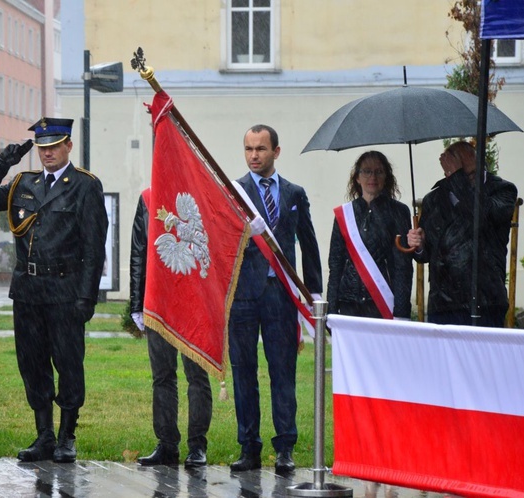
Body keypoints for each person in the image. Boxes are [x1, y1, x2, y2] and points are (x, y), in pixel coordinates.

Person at [0, 118, 108, 463]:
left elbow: (94, 247)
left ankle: (67, 436)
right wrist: (4, 162)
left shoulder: (84, 185)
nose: (47, 153)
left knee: (69, 364)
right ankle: (44, 435)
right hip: (28, 290)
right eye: (42, 148)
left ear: (68, 147)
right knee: (31, 364)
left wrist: (87, 297)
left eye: (54, 146)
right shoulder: (23, 182)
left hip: (64, 289)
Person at [229, 124, 322, 474]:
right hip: (243, 295)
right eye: (249, 149)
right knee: (244, 373)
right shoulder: (235, 191)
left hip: (280, 294)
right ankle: (248, 446)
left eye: (261, 149)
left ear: (276, 152)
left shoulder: (294, 193)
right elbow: (222, 240)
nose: (254, 156)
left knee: (283, 372)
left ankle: (285, 446)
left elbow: (309, 243)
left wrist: (314, 293)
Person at [129, 187, 213, 468]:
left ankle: (197, 446)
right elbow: (139, 250)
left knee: (196, 376)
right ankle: (166, 445)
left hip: (195, 300)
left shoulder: (203, 190)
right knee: (162, 376)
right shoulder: (148, 197)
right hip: (159, 298)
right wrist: (136, 302)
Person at [407, 140, 517, 327]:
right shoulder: (433, 199)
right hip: (443, 304)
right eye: (460, 173)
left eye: (472, 173)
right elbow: (425, 255)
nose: (468, 179)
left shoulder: (502, 190)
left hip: (486, 300)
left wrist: (457, 176)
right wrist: (419, 245)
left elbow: (480, 216)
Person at [327, 151, 413, 319]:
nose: (372, 177)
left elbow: (402, 266)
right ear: (357, 178)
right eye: (366, 171)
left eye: (379, 171)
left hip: (383, 303)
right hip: (349, 302)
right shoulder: (344, 214)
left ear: (386, 177)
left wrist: (401, 311)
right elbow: (336, 265)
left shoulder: (398, 212)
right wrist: (331, 307)